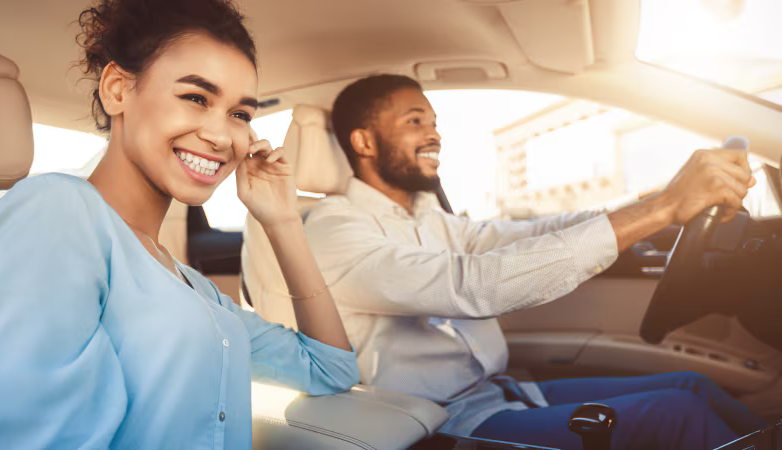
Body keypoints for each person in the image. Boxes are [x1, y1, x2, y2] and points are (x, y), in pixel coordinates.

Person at [302, 74, 767, 449]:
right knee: (674, 414)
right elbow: (472, 286)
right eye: (415, 121)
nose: (435, 133)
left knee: (691, 385)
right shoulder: (333, 231)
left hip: (499, 392)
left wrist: (656, 206)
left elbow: (526, 234)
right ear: (364, 142)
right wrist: (662, 211)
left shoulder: (426, 216)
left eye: (434, 121)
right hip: (439, 425)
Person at [0, 0, 360, 448]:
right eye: (196, 98)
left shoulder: (190, 285)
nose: (222, 137)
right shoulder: (56, 211)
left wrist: (282, 221)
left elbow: (331, 368)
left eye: (240, 115)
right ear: (118, 89)